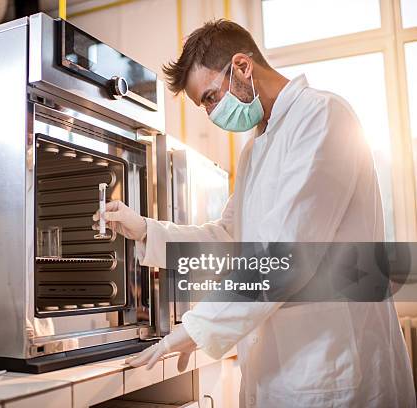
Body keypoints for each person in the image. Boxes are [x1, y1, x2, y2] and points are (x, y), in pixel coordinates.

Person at [92, 19, 415, 407]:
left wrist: (197, 328)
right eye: (204, 105)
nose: (211, 113)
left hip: (334, 366)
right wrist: (145, 230)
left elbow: (288, 254)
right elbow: (230, 239)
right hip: (278, 373)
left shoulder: (321, 116)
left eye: (211, 97)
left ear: (243, 67)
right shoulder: (256, 150)